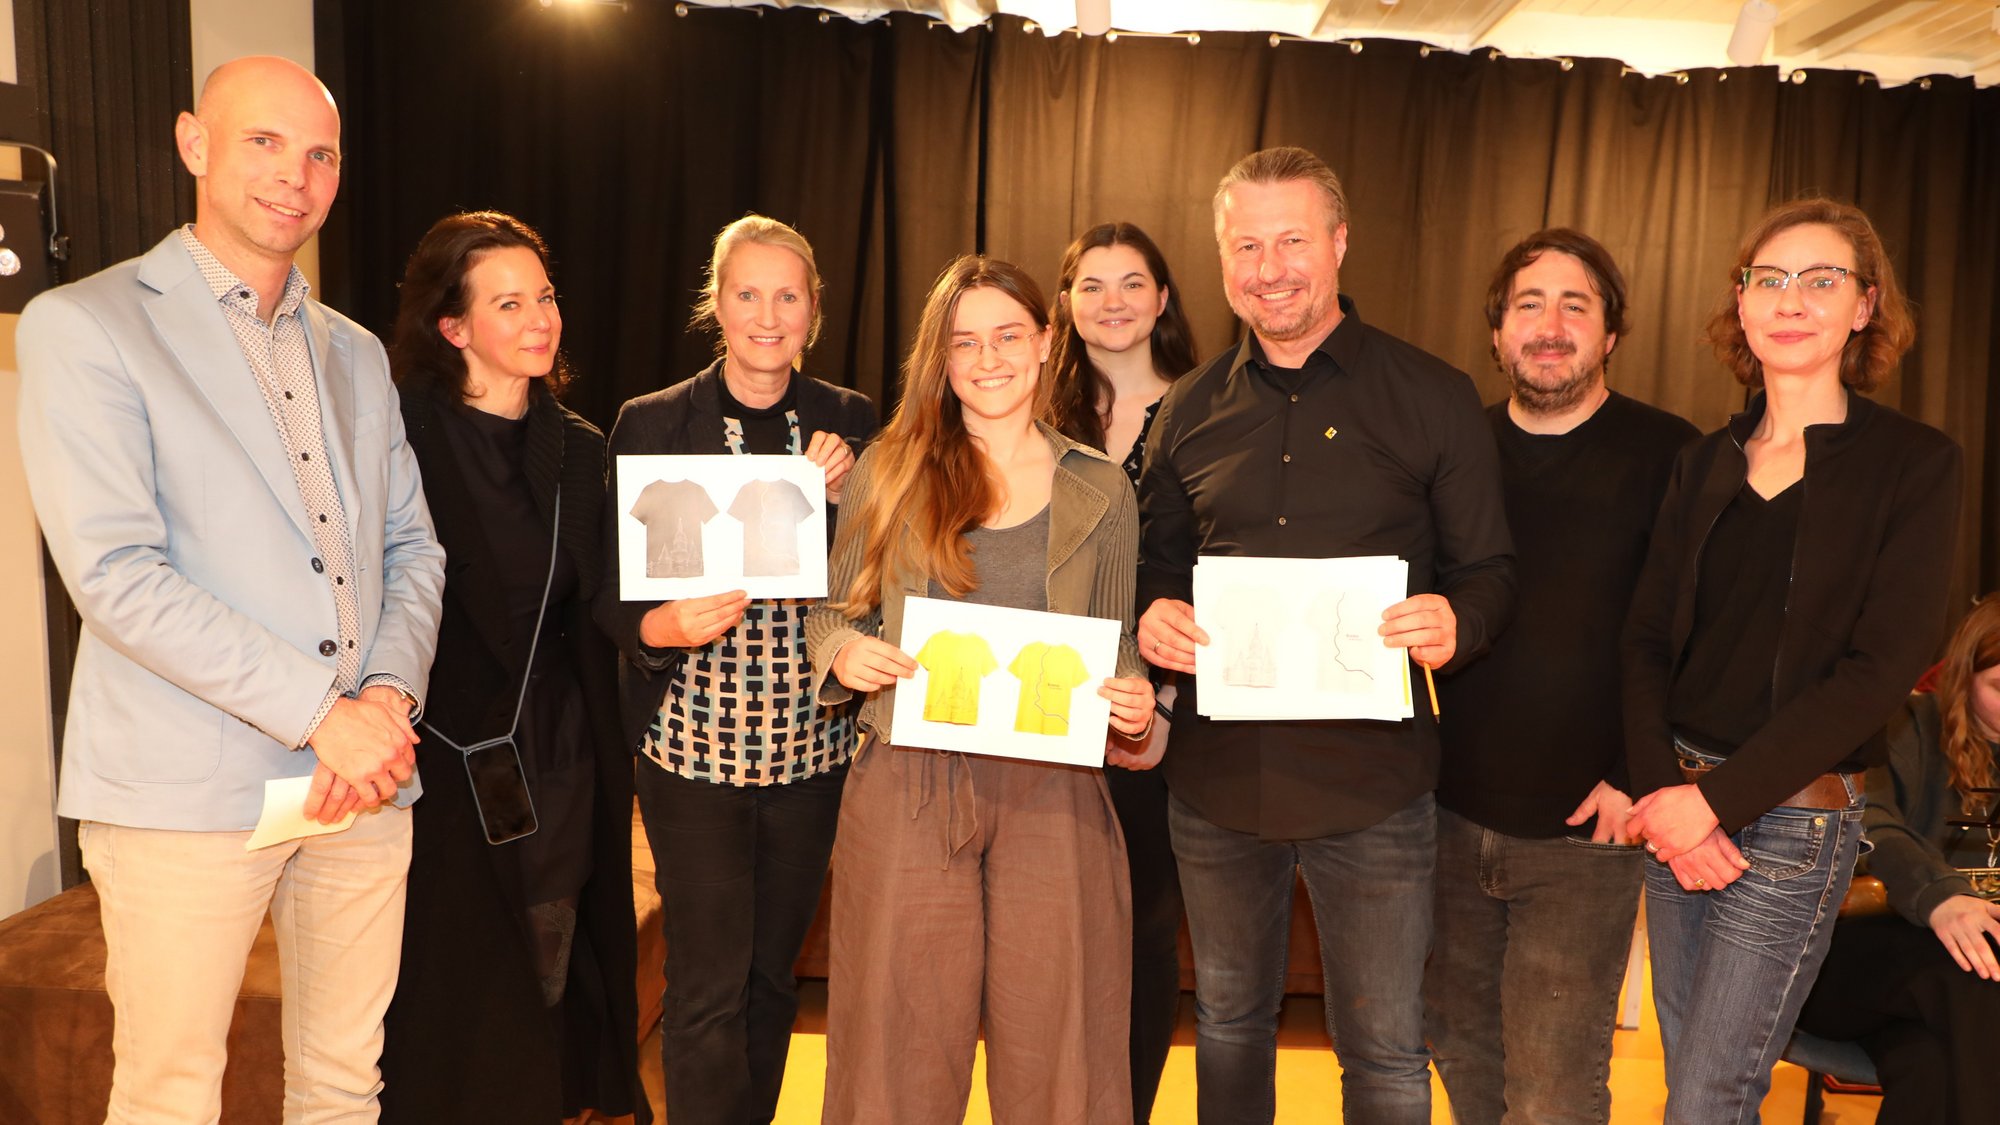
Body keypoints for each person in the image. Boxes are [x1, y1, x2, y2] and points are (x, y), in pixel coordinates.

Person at [15, 56, 445, 1122]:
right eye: (263, 142)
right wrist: (321, 716)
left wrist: (385, 702)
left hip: (360, 785)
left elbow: (412, 549)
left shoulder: (356, 352)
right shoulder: (88, 325)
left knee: (345, 1085)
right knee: (170, 1095)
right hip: (183, 789)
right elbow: (116, 575)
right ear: (193, 144)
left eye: (319, 154)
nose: (294, 175)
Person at [1136, 146, 1515, 1124]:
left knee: (1383, 1046)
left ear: (1339, 244)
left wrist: (1454, 621)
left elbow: (1487, 572)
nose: (1269, 267)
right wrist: (1156, 613)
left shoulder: (1429, 397)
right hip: (1218, 782)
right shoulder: (1186, 409)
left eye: (1291, 240)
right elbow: (1155, 560)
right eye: (1246, 245)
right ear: (1222, 260)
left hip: (1373, 786)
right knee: (1224, 1020)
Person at [1622, 197, 1963, 1122]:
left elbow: (1882, 665)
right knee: (1687, 1077)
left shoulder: (1915, 464)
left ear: (1864, 306)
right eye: (1768, 279)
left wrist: (1712, 805)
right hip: (1678, 811)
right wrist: (1668, 801)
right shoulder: (1702, 462)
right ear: (1740, 305)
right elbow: (1646, 642)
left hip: (1793, 822)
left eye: (1822, 280)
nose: (1792, 299)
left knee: (1708, 1092)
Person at [805, 254, 1157, 1124]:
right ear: (943, 357)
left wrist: (1137, 708)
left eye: (1007, 336)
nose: (988, 358)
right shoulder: (892, 467)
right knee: (896, 1049)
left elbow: (1117, 653)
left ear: (1046, 343)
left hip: (1057, 793)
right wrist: (845, 654)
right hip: (910, 783)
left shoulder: (1102, 489)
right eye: (965, 342)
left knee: (1059, 1049)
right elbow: (834, 613)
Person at [592, 215, 876, 1125]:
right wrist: (660, 624)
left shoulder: (851, 421)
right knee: (707, 982)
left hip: (812, 751)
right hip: (692, 754)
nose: (766, 314)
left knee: (771, 980)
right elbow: (605, 591)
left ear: (813, 311)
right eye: (747, 293)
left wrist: (847, 500)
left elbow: (882, 575)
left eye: (786, 296)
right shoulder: (652, 421)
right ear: (717, 302)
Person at [1424, 229, 1698, 1125]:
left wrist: (1642, 775)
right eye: (1528, 305)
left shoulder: (1674, 457)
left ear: (1611, 333)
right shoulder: (1454, 450)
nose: (1550, 326)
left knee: (1551, 1092)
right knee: (1464, 1060)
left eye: (1575, 305)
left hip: (1590, 826)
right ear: (1497, 334)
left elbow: (1699, 636)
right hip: (1444, 818)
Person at [378, 212, 647, 1123]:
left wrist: (663, 623)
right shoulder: (393, 433)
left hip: (560, 759)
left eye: (546, 296)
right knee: (444, 1006)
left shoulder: (578, 446)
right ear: (453, 327)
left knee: (547, 979)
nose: (541, 317)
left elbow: (600, 598)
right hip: (429, 764)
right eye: (510, 302)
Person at [1047, 220, 1200, 1123]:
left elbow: (1209, 569)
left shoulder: (1208, 407)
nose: (1112, 302)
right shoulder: (1026, 408)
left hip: (1159, 723)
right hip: (1043, 717)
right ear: (1066, 301)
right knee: (1049, 944)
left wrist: (1166, 705)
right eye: (1091, 284)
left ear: (1163, 297)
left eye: (1131, 282)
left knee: (1145, 938)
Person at [1796, 595, 2000, 1125]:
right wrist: (1941, 896)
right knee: (1978, 971)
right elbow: (1869, 820)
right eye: (1999, 687)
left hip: (1946, 1003)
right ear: (1961, 676)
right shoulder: (1904, 725)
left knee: (1927, 1068)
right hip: (1855, 958)